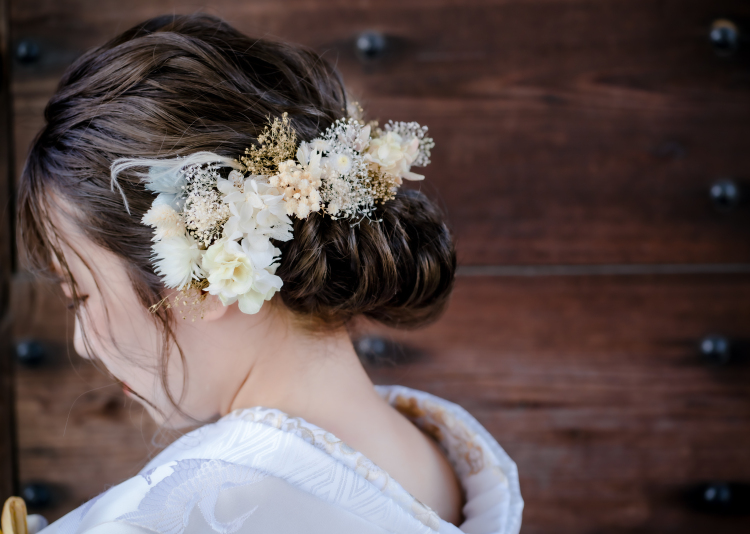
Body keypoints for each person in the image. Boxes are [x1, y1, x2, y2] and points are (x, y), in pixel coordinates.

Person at [16, 13, 523, 534]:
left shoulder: (179, 514)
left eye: (78, 294)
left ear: (199, 280)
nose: (81, 342)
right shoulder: (452, 466)